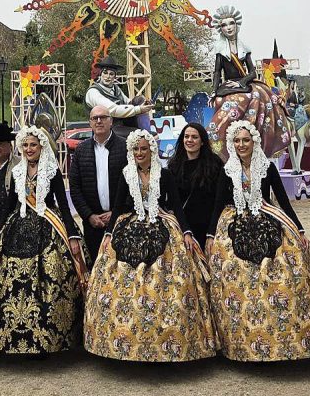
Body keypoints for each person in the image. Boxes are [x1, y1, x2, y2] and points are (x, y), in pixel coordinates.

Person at [84, 129, 217, 363]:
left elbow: (176, 205)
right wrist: (108, 233)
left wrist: (186, 232)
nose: (139, 153)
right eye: (135, 149)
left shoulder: (164, 175)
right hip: (131, 224)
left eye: (143, 149)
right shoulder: (126, 174)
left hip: (162, 222)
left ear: (151, 150)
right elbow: (117, 208)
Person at [207, 122, 310, 362]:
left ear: (254, 142)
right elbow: (216, 206)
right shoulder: (227, 170)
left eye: (245, 140)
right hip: (234, 225)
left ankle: (283, 337)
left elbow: (284, 202)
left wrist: (300, 230)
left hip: (267, 222)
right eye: (237, 141)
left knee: (283, 274)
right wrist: (211, 236)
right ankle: (241, 341)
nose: (241, 145)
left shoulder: (267, 168)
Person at [0, 125, 87, 354]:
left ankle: (50, 336)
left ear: (41, 147)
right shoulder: (17, 171)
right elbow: (10, 204)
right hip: (19, 222)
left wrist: (72, 233)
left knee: (51, 275)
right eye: (25, 145)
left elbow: (63, 205)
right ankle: (12, 338)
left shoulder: (51, 170)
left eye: (33, 145)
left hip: (48, 222)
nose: (28, 149)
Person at [207, 6, 291, 160]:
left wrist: (241, 83)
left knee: (263, 97)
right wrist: (214, 90)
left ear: (236, 25)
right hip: (228, 86)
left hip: (245, 83)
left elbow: (252, 72)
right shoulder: (220, 49)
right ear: (221, 29)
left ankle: (259, 137)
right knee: (225, 101)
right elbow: (217, 72)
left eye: (231, 23)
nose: (228, 27)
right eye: (224, 25)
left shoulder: (244, 48)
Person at [68, 105, 127, 264]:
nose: (99, 121)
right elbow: (75, 187)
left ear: (111, 121)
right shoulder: (81, 150)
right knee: (95, 268)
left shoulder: (126, 147)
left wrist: (115, 212)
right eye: (95, 118)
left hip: (121, 221)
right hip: (93, 224)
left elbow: (132, 186)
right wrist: (89, 215)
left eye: (103, 117)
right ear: (90, 122)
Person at [168, 122, 223, 245]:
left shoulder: (215, 164)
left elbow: (219, 199)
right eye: (186, 136)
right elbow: (173, 201)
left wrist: (212, 231)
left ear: (202, 141)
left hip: (209, 225)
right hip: (183, 226)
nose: (189, 140)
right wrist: (184, 229)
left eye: (194, 137)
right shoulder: (174, 165)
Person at [85, 56, 153, 138]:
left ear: (115, 76)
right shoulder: (93, 92)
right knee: (140, 136)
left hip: (121, 126)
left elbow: (128, 102)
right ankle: (145, 135)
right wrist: (139, 109)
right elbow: (113, 110)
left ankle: (146, 133)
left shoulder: (116, 89)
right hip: (104, 128)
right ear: (100, 74)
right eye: (105, 73)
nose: (108, 76)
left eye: (111, 74)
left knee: (138, 100)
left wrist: (143, 102)